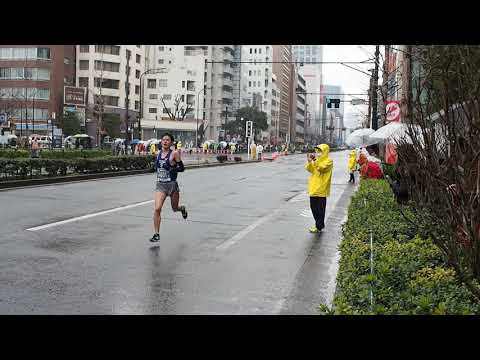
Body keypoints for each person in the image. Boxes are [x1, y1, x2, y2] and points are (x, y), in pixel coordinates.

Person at [150, 133, 188, 242]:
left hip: (172, 186)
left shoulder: (174, 154)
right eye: (163, 140)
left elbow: (182, 168)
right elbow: (156, 166)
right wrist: (153, 168)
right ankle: (156, 234)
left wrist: (172, 168)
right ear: (161, 142)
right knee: (157, 208)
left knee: (174, 208)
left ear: (171, 142)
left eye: (167, 140)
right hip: (161, 185)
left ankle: (182, 209)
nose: (165, 142)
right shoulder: (158, 153)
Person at [305, 144, 333, 234]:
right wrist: (309, 161)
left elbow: (322, 168)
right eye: (317, 151)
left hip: (322, 189)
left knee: (320, 210)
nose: (318, 153)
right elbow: (310, 169)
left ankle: (318, 226)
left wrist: (314, 160)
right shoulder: (316, 160)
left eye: (320, 151)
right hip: (313, 188)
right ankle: (319, 224)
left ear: (325, 151)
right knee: (313, 208)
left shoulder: (329, 161)